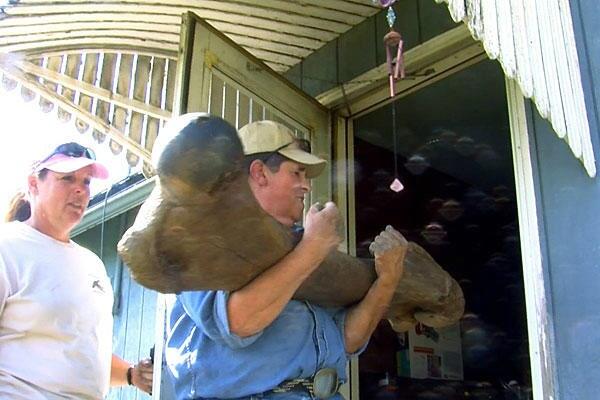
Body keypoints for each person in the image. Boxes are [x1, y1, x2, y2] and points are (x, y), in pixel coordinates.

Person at [164, 118, 408, 399]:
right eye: (297, 173)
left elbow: (347, 341)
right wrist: (312, 249)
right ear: (259, 173)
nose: (306, 186)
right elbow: (236, 323)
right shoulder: (204, 234)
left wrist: (387, 282)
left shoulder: (305, 242)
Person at [0, 142, 154, 399]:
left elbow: (81, 350)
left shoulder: (91, 263)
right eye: (67, 178)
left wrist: (131, 375)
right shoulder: (7, 247)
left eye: (87, 181)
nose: (80, 189)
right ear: (34, 184)